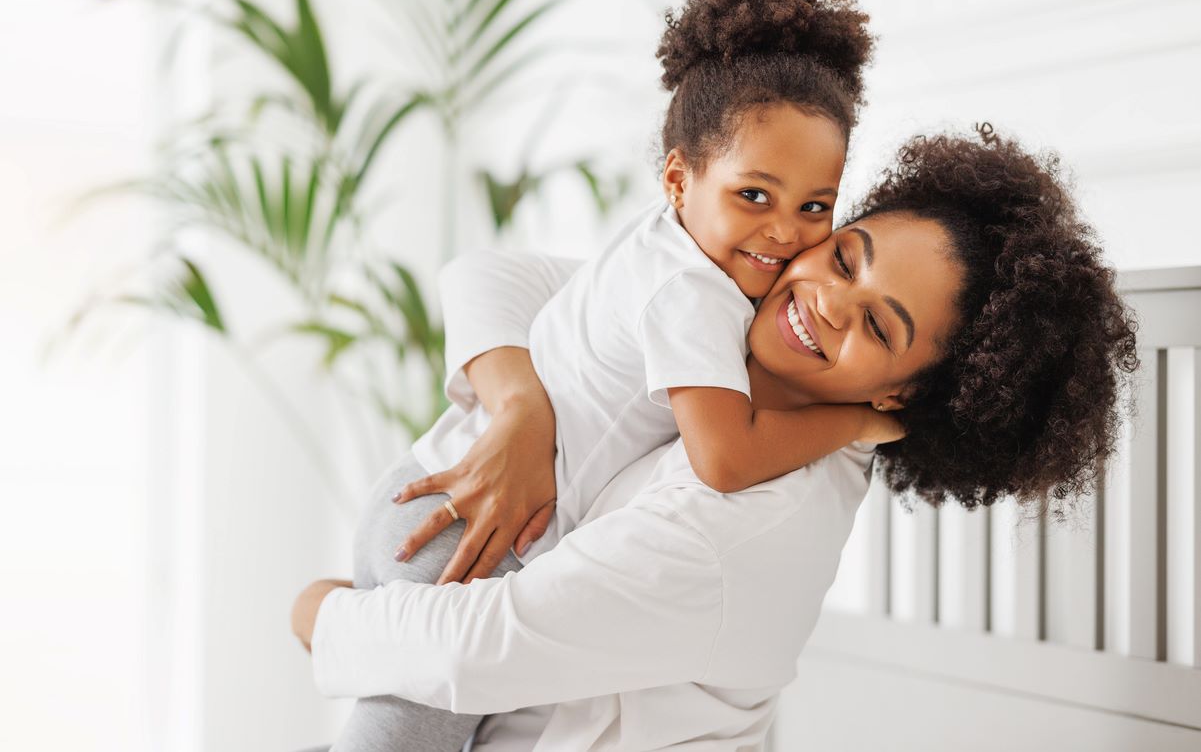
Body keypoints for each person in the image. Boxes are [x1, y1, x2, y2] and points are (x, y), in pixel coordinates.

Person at [293, 129, 1138, 751]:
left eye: (878, 326)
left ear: (899, 395)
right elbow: (497, 278)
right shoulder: (722, 316)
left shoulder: (749, 525)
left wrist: (322, 610)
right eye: (845, 258)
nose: (826, 300)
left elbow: (481, 644)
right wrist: (521, 406)